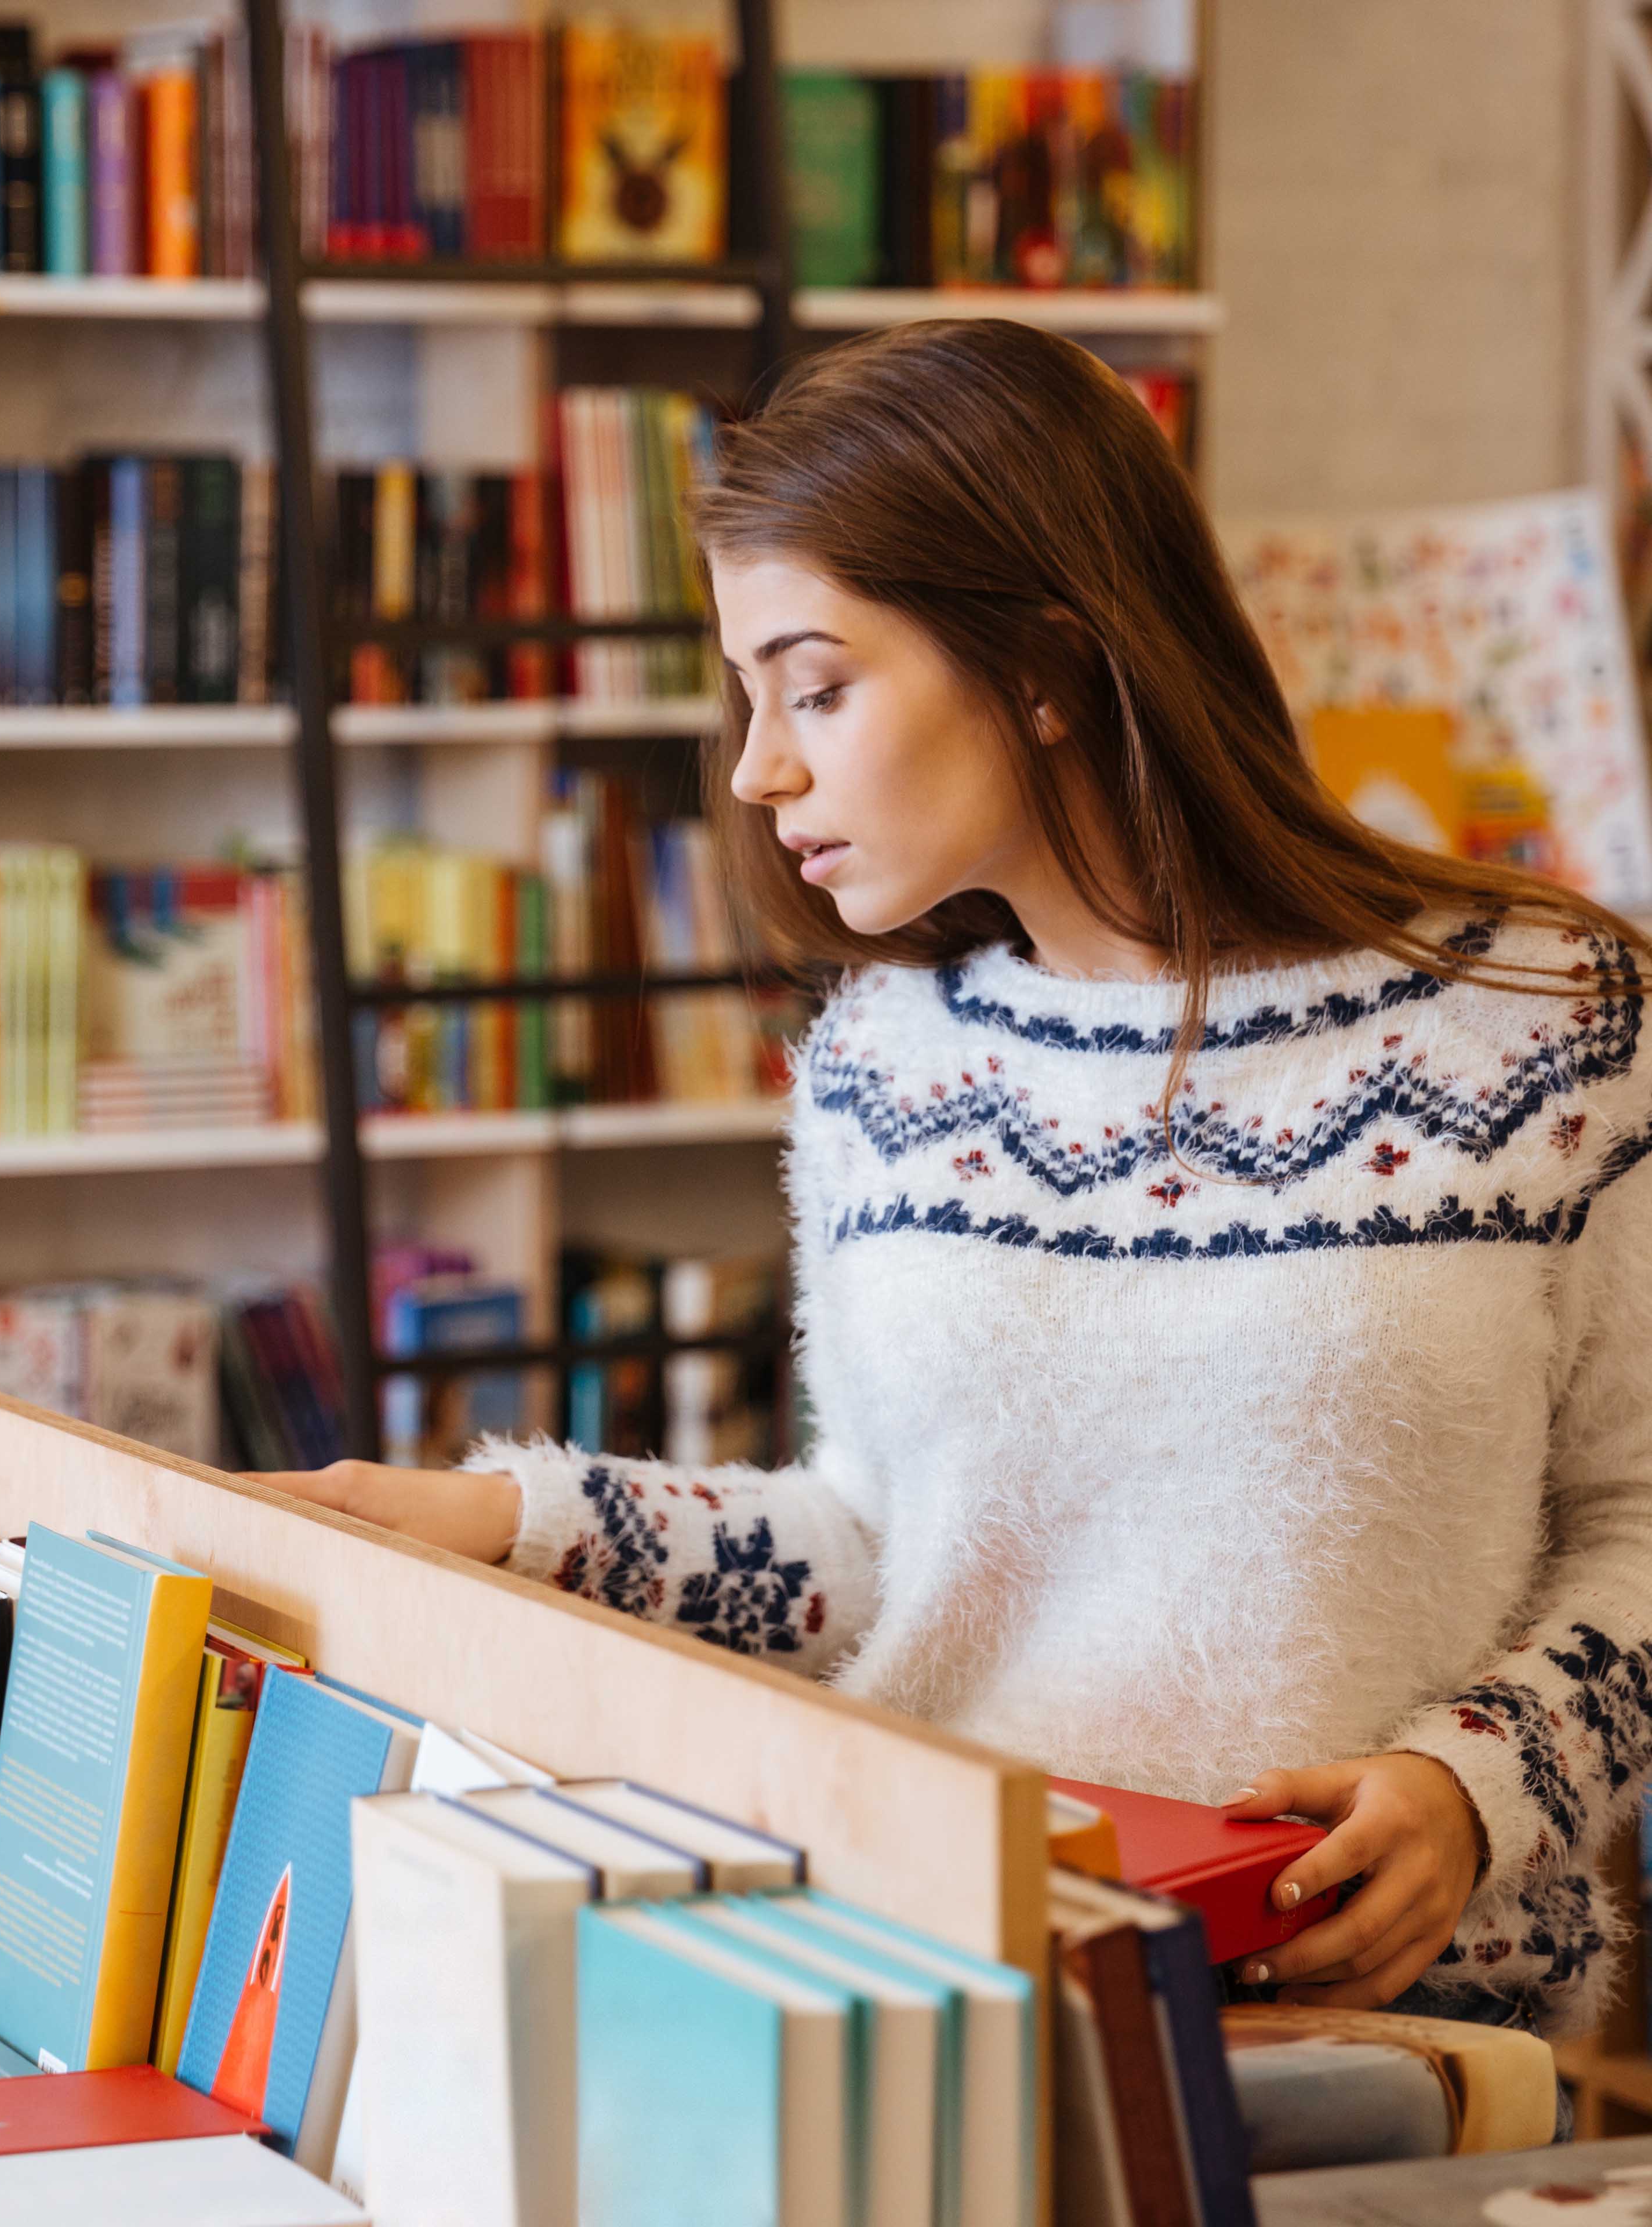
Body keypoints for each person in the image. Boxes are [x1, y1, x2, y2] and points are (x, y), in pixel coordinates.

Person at [256, 319, 1652, 2043]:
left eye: (819, 686)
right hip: (951, 1977)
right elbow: (885, 1550)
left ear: (1047, 664)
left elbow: (1636, 1519)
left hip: (1383, 2022)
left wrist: (1473, 1792)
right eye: (749, 693)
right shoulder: (883, 1065)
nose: (759, 769)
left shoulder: (1550, 1022)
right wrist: (507, 1523)